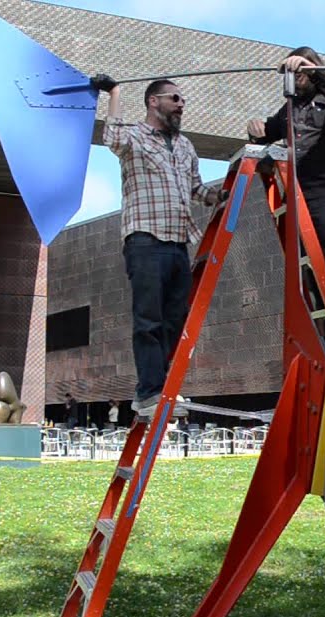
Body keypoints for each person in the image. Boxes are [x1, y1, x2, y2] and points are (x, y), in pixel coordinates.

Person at [90, 74, 224, 420]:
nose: (181, 105)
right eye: (175, 99)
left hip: (179, 241)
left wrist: (221, 194)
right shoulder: (134, 135)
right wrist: (115, 92)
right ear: (154, 101)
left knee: (174, 321)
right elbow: (112, 138)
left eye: (183, 100)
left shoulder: (185, 145)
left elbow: (197, 189)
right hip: (145, 238)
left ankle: (161, 387)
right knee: (148, 319)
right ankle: (149, 391)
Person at [247, 46, 325, 356]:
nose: (296, 79)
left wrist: (311, 69)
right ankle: (323, 340)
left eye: (300, 73)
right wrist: (254, 129)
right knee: (310, 272)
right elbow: (267, 131)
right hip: (298, 195)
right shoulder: (290, 107)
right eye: (291, 75)